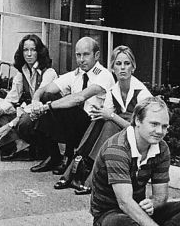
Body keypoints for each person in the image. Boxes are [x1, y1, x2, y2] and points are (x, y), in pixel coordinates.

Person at [90, 96, 180, 226]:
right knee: (122, 222)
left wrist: (153, 203)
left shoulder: (161, 148)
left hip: (140, 210)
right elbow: (125, 203)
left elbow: (161, 196)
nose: (160, 131)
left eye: (164, 126)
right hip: (110, 214)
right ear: (138, 120)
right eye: (154, 124)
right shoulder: (117, 149)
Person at [56, 45, 152, 195]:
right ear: (112, 67)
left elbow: (140, 130)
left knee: (109, 124)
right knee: (99, 120)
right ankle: (74, 168)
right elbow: (106, 114)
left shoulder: (142, 93)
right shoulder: (113, 90)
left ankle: (87, 178)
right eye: (118, 64)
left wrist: (112, 116)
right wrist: (102, 114)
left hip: (136, 135)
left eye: (127, 64)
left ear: (133, 67)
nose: (122, 68)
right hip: (118, 131)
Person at [17, 37, 115, 175]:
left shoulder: (104, 75)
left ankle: (68, 156)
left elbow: (79, 98)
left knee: (66, 107)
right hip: (75, 124)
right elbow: (46, 89)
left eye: (86, 54)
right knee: (47, 96)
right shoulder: (77, 74)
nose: (81, 59)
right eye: (78, 55)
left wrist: (46, 107)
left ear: (96, 55)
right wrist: (36, 100)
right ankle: (53, 155)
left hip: (93, 126)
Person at [0, 34, 58, 160]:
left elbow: (38, 105)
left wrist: (9, 125)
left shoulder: (49, 73)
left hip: (44, 115)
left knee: (24, 121)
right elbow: (11, 98)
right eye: (25, 50)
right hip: (28, 112)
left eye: (33, 50)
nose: (29, 54)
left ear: (39, 52)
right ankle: (20, 145)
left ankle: (22, 146)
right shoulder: (22, 72)